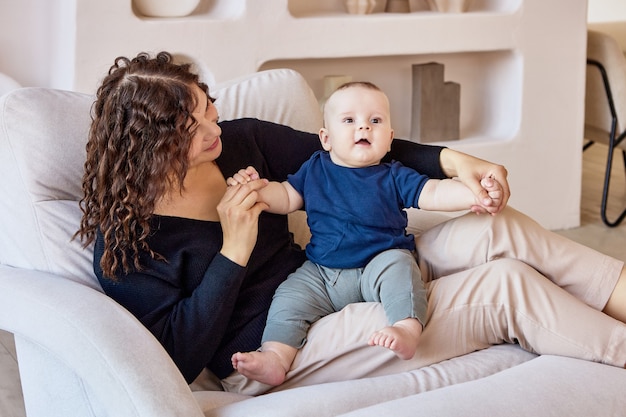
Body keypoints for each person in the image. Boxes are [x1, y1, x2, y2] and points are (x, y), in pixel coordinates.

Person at [76, 52, 626, 394]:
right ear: (151, 149)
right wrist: (233, 251)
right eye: (194, 126)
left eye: (208, 107)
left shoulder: (238, 141)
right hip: (281, 341)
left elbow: (356, 151)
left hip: (335, 270)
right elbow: (176, 355)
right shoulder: (126, 244)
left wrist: (459, 164)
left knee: (499, 229)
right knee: (508, 286)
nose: (213, 126)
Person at [229, 81, 503, 386]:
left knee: (401, 270)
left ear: (389, 139)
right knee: (289, 296)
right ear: (326, 138)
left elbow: (434, 193)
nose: (364, 128)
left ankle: (407, 328)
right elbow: (287, 197)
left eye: (375, 121)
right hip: (322, 273)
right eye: (349, 120)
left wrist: (473, 194)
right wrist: (258, 192)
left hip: (378, 264)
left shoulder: (393, 175)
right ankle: (276, 356)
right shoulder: (314, 169)